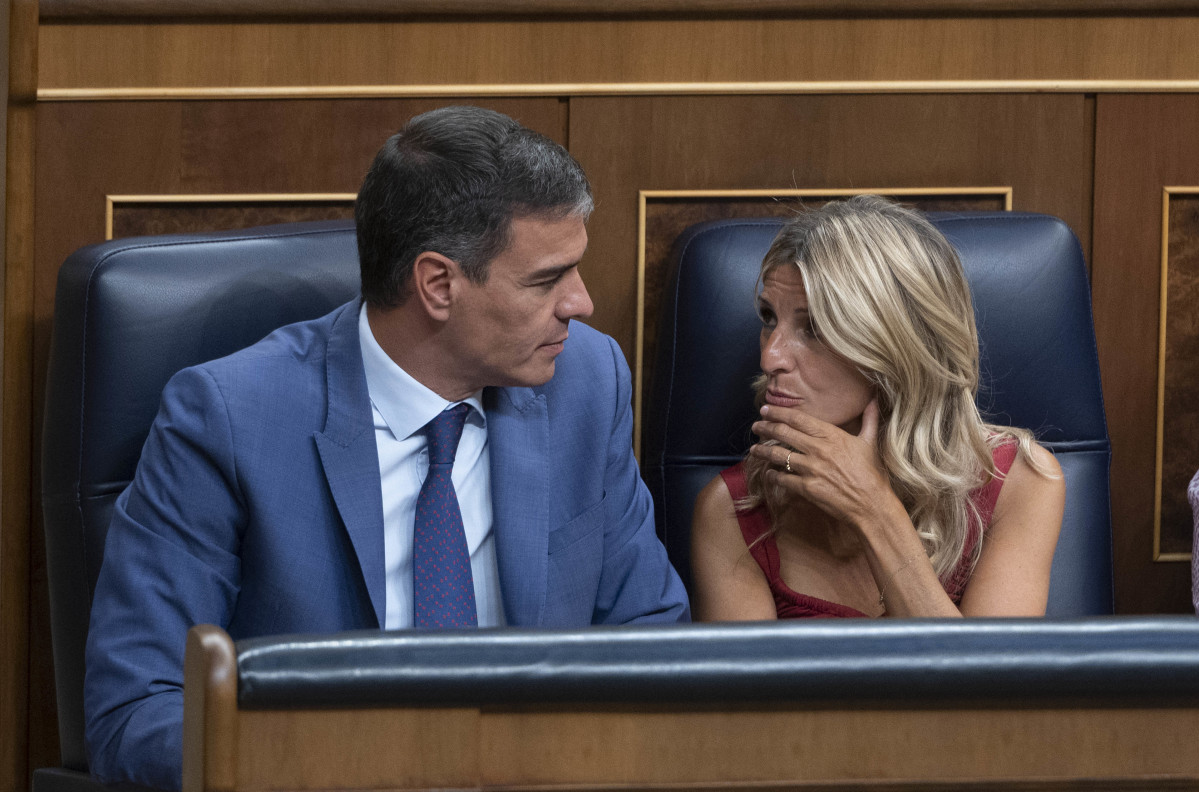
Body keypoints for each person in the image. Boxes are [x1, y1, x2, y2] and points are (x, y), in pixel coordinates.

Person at [84, 106, 689, 790]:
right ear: (438, 284)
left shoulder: (585, 381)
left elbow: (649, 641)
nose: (579, 304)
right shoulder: (228, 419)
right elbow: (138, 713)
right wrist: (353, 767)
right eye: (546, 280)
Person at [691, 195, 1064, 621]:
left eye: (813, 327)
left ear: (897, 345)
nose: (770, 358)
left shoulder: (1018, 480)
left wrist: (874, 511)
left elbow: (985, 686)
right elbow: (750, 689)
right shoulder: (733, 510)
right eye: (769, 318)